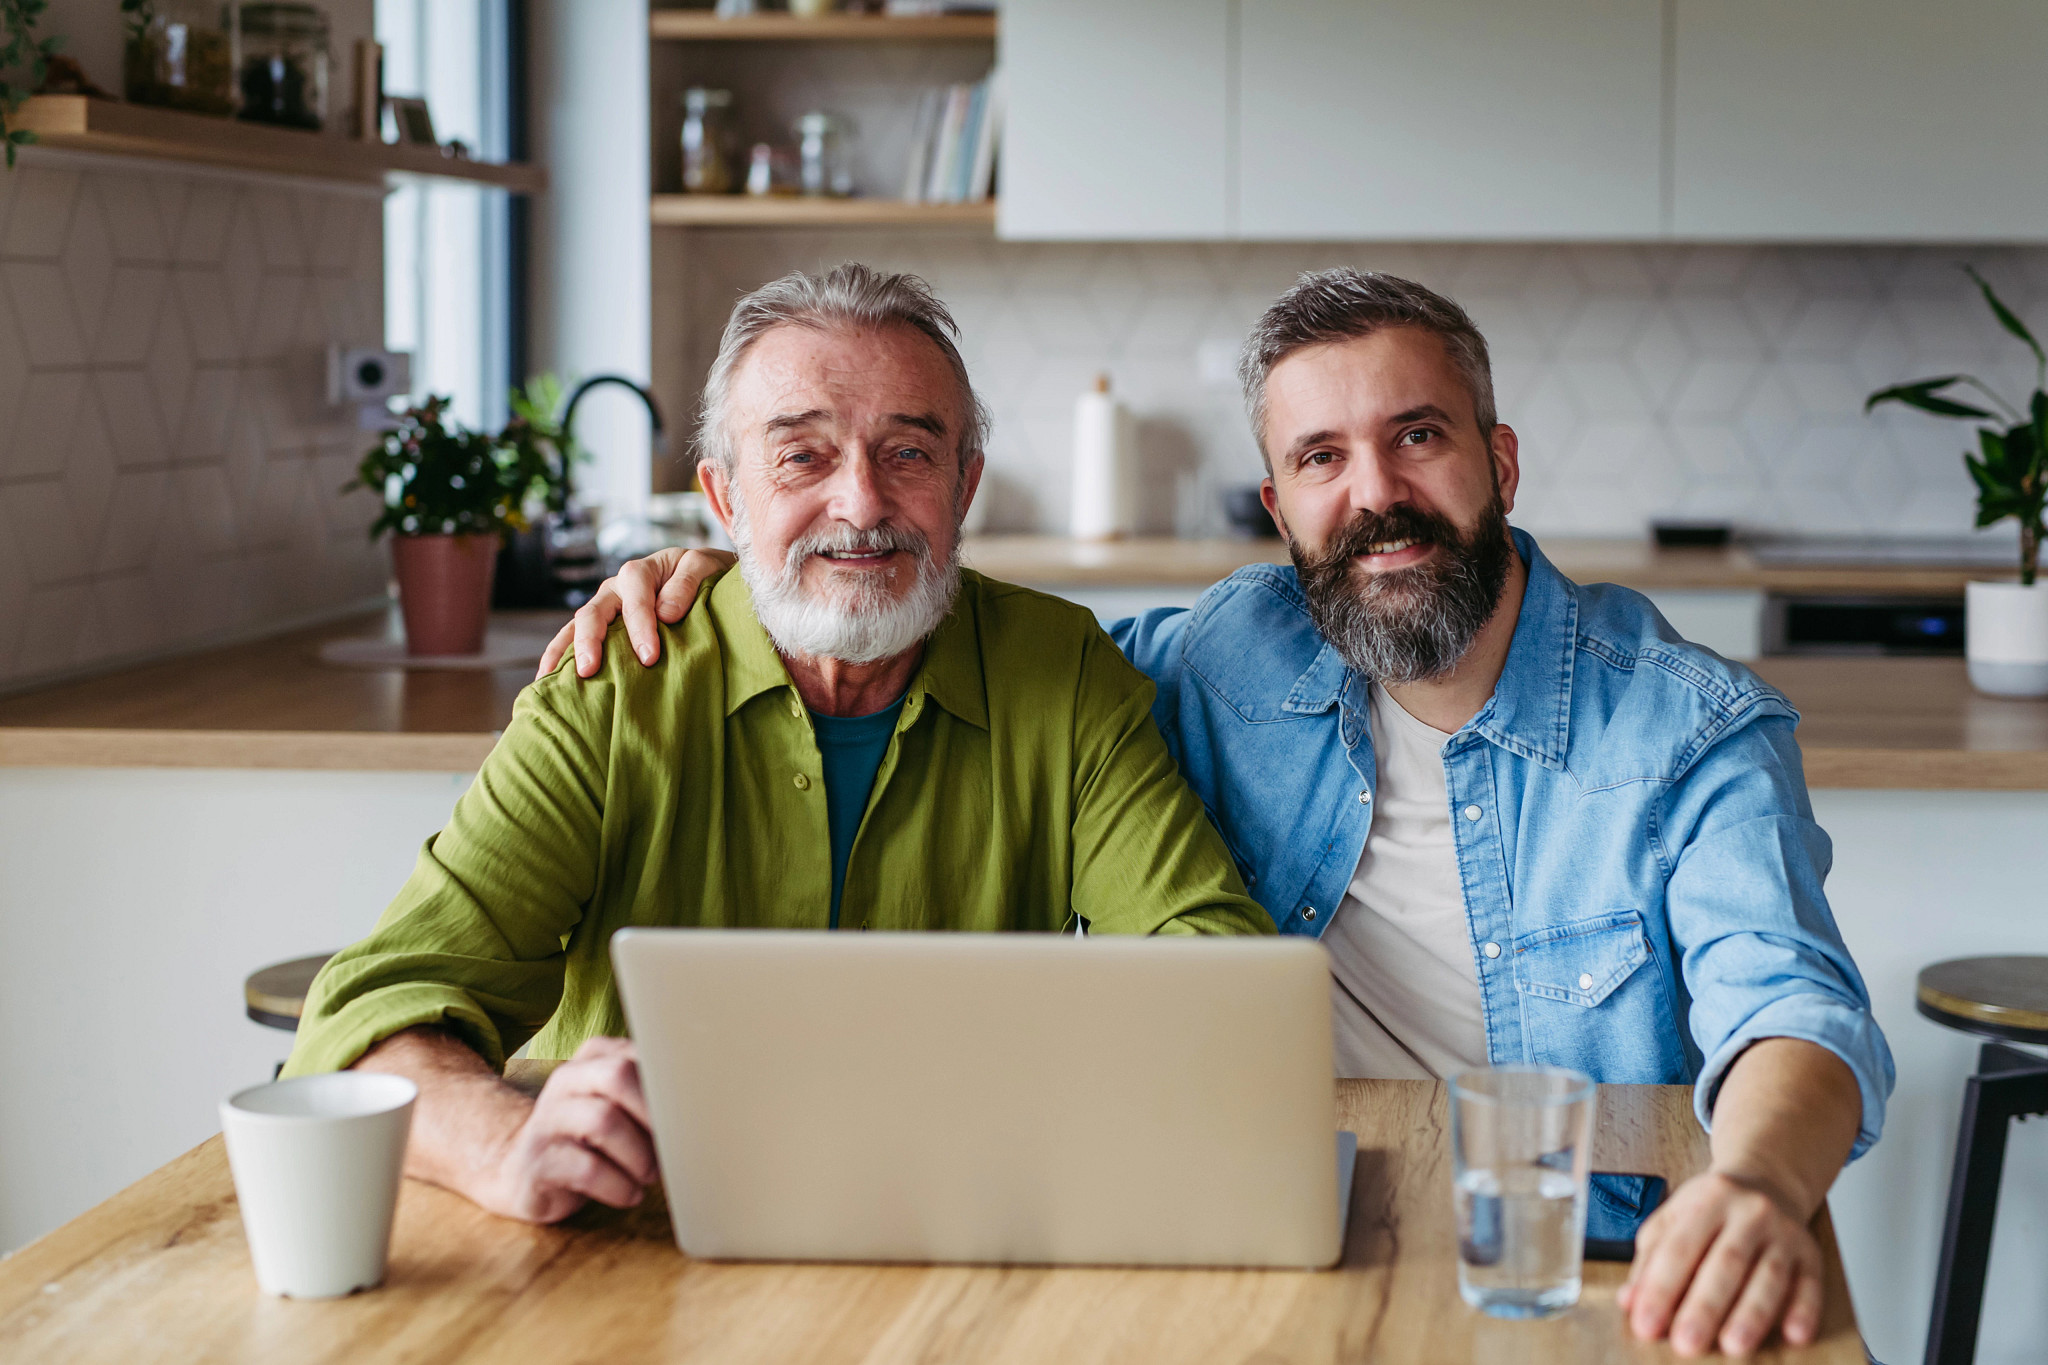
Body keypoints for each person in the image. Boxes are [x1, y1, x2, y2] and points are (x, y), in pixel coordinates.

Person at [552, 269, 1894, 1359]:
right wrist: (732, 577)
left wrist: (1761, 1186)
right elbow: (925, 623)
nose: (1375, 495)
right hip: (1272, 1243)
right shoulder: (1217, 653)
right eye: (1323, 457)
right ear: (1279, 505)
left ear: (1500, 459)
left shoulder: (1684, 724)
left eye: (1416, 437)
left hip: (1572, 1274)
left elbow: (1794, 1008)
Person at [284, 264, 1272, 1227]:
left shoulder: (1064, 674)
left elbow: (1218, 988)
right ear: (725, 497)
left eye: (909, 454)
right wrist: (504, 1143)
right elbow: (359, 1021)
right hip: (637, 1245)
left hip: (958, 1228)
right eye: (801, 456)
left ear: (963, 485)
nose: (861, 504)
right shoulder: (614, 684)